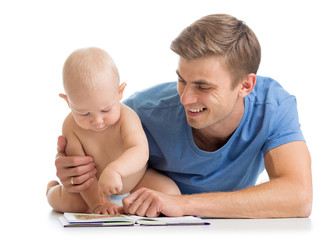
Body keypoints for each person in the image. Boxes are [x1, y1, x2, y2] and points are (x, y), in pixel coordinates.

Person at [53, 14, 312, 218]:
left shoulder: (273, 107)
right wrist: (75, 171)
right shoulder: (141, 112)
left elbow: (299, 197)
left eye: (203, 86)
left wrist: (183, 204)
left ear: (245, 85)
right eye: (181, 80)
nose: (185, 98)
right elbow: (92, 124)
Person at [47, 47, 179, 215]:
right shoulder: (70, 126)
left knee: (170, 193)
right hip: (95, 189)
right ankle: (51, 190)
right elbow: (82, 173)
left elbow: (140, 151)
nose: (97, 121)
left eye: (106, 110)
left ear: (119, 93)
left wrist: (115, 170)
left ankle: (126, 204)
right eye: (84, 113)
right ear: (68, 101)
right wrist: (97, 204)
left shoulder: (127, 117)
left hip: (137, 182)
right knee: (67, 202)